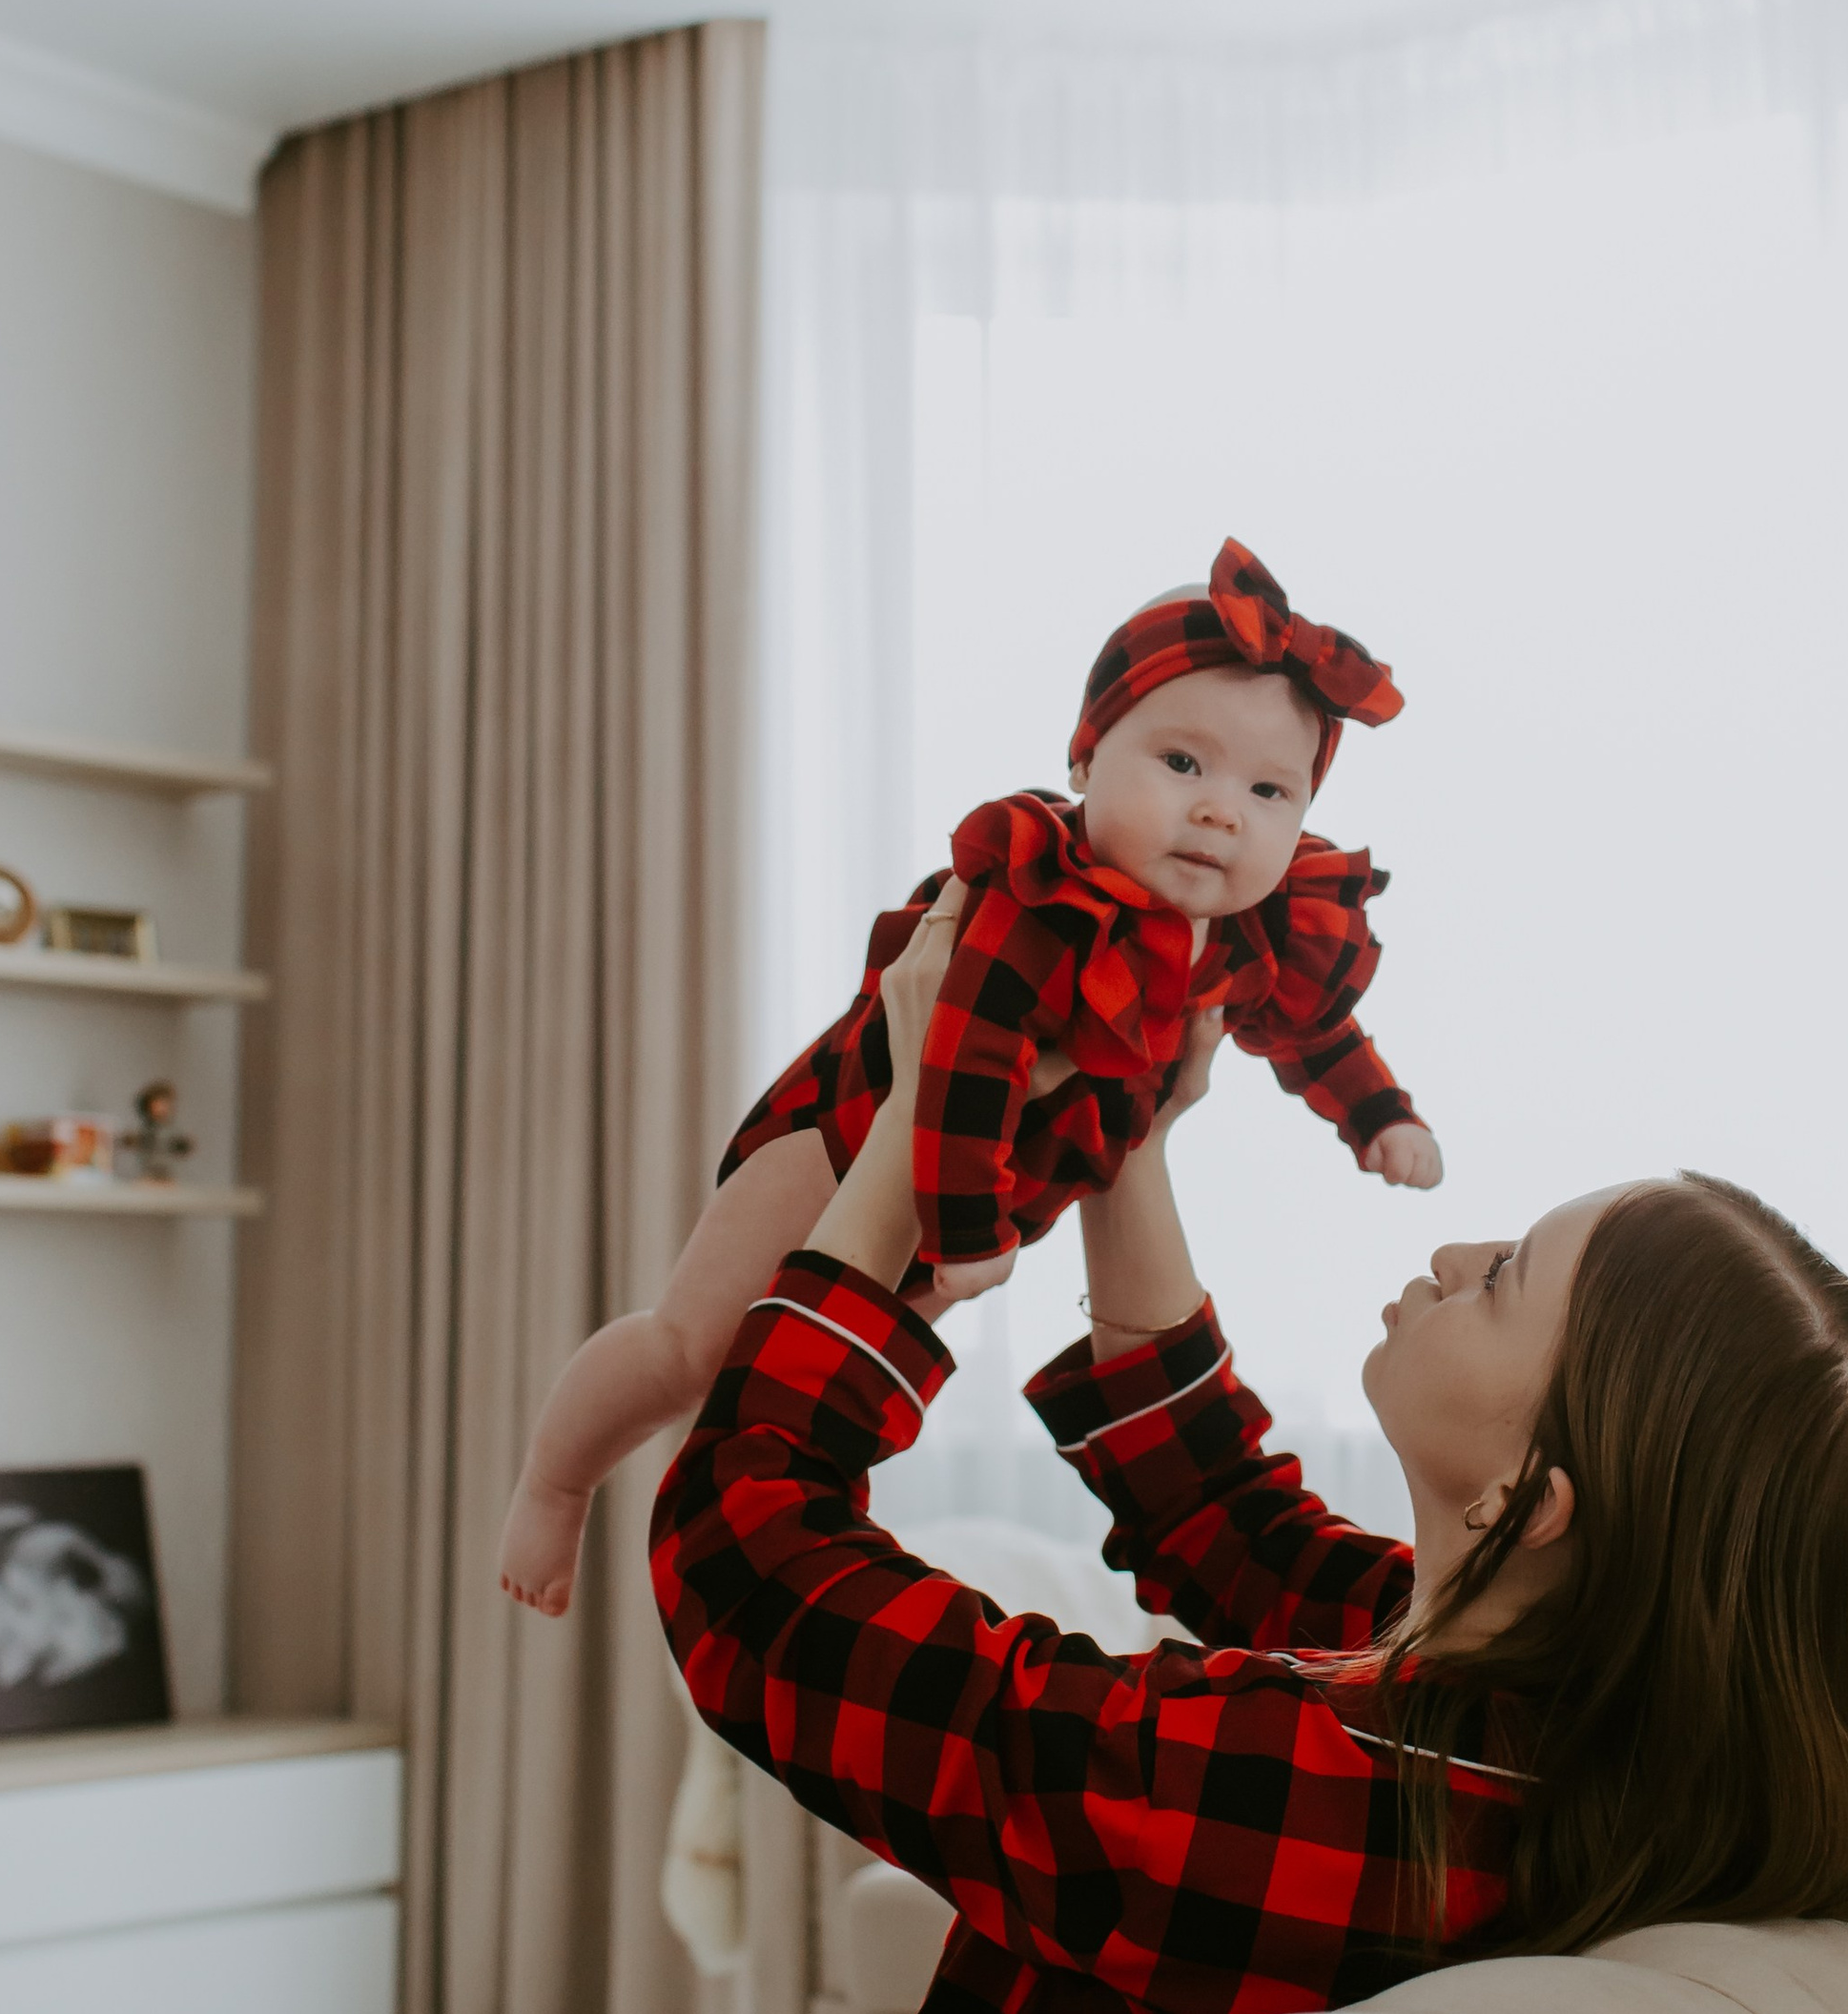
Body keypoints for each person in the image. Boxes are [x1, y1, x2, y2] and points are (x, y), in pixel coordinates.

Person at [647, 887, 1848, 2014]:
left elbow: (753, 1576)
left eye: (1505, 1280)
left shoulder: (1327, 1800)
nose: (1451, 1249)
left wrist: (911, 1127)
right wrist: (1127, 1131)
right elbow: (1232, 1522)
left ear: (1527, 1499)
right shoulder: (1547, 1738)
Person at [500, 538, 1441, 1618]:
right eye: (1182, 764)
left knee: (824, 1400)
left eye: (1269, 789)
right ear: (1086, 760)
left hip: (984, 1206)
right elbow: (966, 1060)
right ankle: (555, 1479)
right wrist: (961, 1225)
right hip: (847, 1145)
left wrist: (1375, 1115)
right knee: (690, 1350)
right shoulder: (1033, 899)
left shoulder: (1237, 934)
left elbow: (1314, 1028)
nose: (1222, 809)